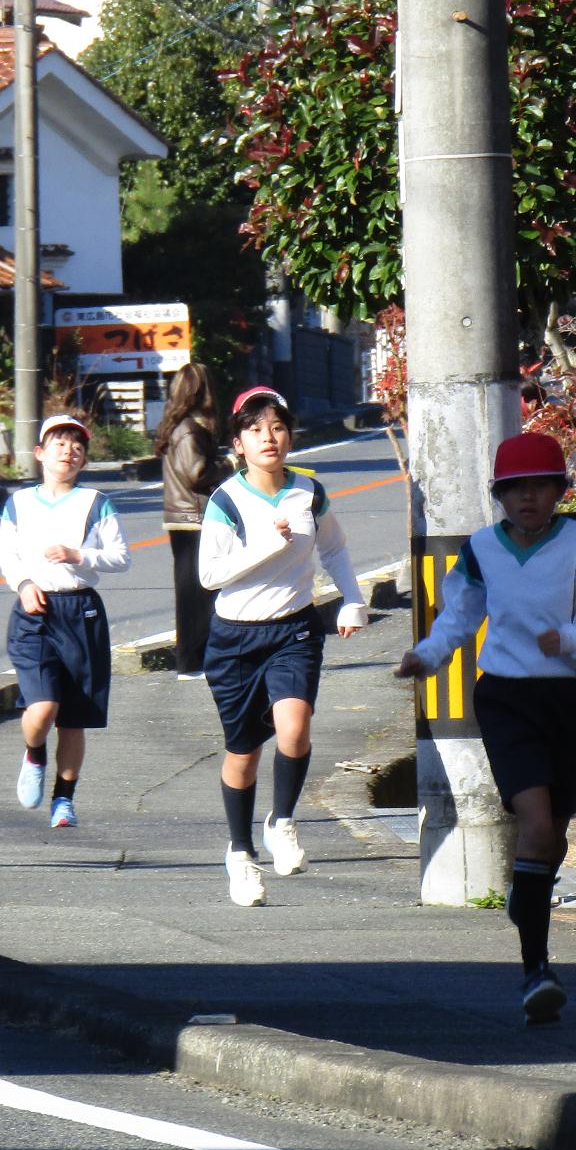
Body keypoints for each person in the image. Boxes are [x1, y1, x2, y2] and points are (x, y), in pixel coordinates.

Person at [394, 433, 576, 1025]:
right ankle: (535, 969)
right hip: (508, 697)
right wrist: (427, 656)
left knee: (553, 835)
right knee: (536, 823)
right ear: (499, 496)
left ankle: (526, 891)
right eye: (514, 488)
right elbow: (459, 619)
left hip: (573, 695)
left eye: (540, 485)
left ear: (562, 490)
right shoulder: (480, 549)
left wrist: (575, 643)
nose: (527, 498)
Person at [198, 386, 369, 906]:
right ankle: (240, 853)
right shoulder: (226, 500)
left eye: (276, 427)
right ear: (239, 443)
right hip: (234, 638)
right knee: (243, 754)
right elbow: (209, 575)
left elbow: (334, 548)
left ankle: (284, 821)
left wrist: (352, 600)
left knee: (294, 728)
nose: (268, 438)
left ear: (290, 435)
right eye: (255, 430)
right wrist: (268, 545)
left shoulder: (308, 493)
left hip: (293, 629)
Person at [0, 414, 133, 830]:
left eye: (77, 446)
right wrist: (22, 584)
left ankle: (64, 800)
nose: (68, 451)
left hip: (81, 613)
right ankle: (34, 752)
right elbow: (7, 555)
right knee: (43, 707)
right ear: (39, 453)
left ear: (85, 459)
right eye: (58, 443)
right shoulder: (18, 503)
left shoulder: (95, 502)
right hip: (34, 612)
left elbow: (121, 557)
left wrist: (80, 556)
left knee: (74, 717)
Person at [154, 363, 227, 680]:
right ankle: (192, 660)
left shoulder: (179, 425)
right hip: (193, 517)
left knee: (194, 591)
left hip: (185, 517)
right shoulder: (189, 430)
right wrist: (230, 463)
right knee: (197, 592)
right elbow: (197, 473)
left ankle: (195, 658)